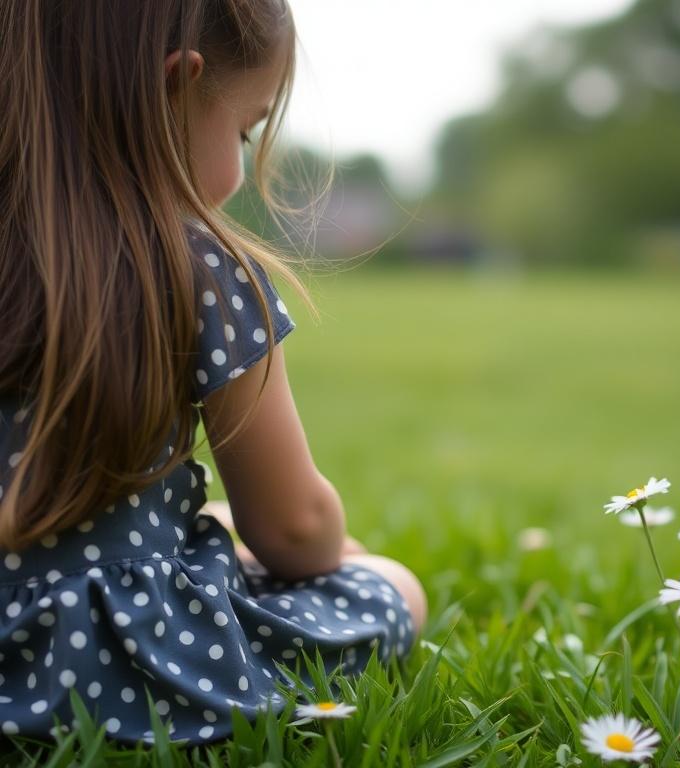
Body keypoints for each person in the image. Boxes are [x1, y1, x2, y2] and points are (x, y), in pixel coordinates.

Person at [0, 0, 426, 745]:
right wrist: (336, 548)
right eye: (244, 129)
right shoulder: (197, 271)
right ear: (177, 87)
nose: (241, 159)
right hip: (131, 671)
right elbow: (293, 530)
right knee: (396, 587)